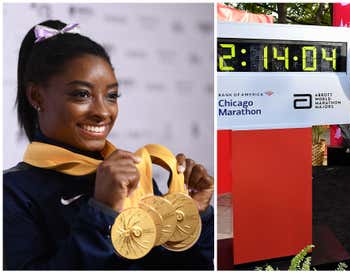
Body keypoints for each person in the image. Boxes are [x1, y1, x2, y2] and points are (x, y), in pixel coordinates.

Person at [3, 20, 214, 270]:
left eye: (112, 96)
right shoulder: (11, 193)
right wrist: (102, 211)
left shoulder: (136, 174)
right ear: (37, 96)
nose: (103, 112)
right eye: (82, 94)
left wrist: (193, 216)